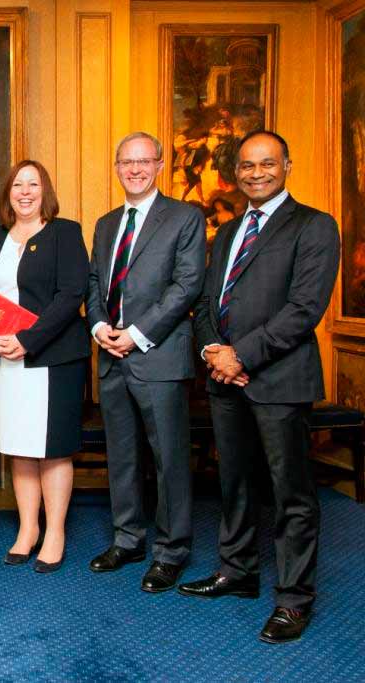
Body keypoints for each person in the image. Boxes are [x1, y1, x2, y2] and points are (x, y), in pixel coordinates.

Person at [179, 131, 341, 644]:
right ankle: (238, 571)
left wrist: (240, 355)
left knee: (291, 494)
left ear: (287, 166)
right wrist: (212, 352)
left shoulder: (314, 226)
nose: (255, 173)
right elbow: (205, 305)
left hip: (279, 380)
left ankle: (294, 601)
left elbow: (304, 310)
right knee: (236, 482)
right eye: (247, 165)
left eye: (267, 164)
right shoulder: (226, 232)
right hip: (226, 380)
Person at [86, 132, 206, 592]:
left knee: (169, 458)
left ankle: (171, 551)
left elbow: (187, 285)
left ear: (159, 165)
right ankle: (128, 537)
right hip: (111, 355)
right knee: (122, 457)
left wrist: (135, 335)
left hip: (157, 357)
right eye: (125, 162)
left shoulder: (185, 218)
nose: (134, 169)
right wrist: (100, 329)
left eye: (143, 162)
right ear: (116, 167)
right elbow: (96, 282)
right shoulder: (105, 223)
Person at [0, 160, 89, 572]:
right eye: (17, 184)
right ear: (8, 193)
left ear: (45, 191)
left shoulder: (65, 233)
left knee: (52, 451)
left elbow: (71, 294)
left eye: (33, 184)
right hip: (5, 362)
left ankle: (54, 531)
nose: (25, 191)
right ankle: (27, 529)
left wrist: (26, 340)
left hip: (52, 361)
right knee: (20, 449)